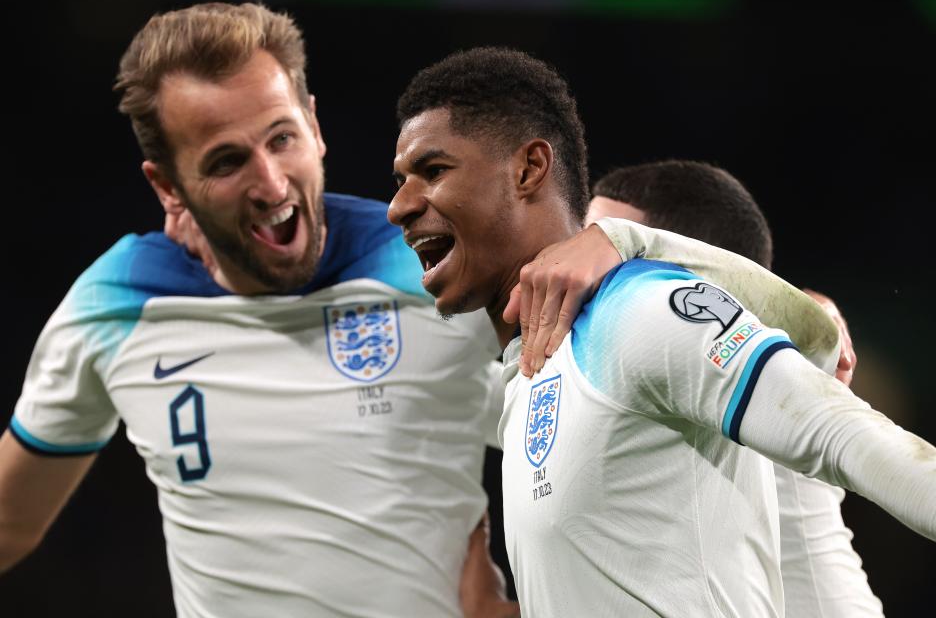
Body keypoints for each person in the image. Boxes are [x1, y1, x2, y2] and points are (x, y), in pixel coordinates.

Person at [0, 3, 519, 617]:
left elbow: (617, 400)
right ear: (169, 187)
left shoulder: (440, 260)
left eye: (282, 138)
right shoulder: (118, 301)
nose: (271, 184)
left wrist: (622, 244)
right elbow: (10, 523)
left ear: (315, 127)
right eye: (226, 161)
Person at [387, 46, 936, 616]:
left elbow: (846, 436)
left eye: (433, 170)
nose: (397, 206)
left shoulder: (640, 312)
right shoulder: (532, 367)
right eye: (400, 179)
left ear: (529, 170)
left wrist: (645, 251)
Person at [586, 159, 880, 616]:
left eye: (606, 246)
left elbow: (805, 328)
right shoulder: (618, 366)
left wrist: (812, 317)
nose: (574, 262)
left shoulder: (756, 352)